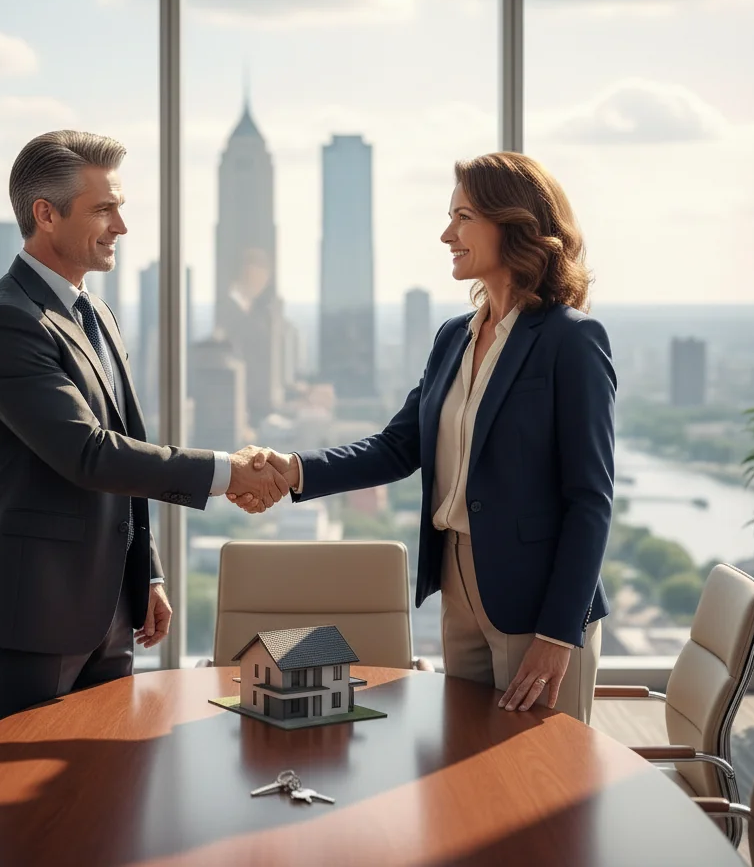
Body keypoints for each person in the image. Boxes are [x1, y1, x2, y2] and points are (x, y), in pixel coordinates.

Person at [231, 152, 615, 723]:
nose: (446, 235)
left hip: (539, 598)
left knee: (537, 780)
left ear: (512, 224)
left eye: (462, 217)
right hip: (458, 580)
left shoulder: (571, 340)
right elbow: (400, 446)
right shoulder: (454, 337)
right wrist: (292, 469)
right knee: (465, 756)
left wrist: (559, 632)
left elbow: (591, 499)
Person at [0, 130, 287, 730]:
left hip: (110, 608)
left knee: (103, 793)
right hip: (32, 611)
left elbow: (125, 442)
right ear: (45, 215)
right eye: (104, 210)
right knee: (15, 804)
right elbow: (89, 454)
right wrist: (228, 472)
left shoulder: (95, 312)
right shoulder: (6, 322)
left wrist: (147, 572)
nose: (121, 228)